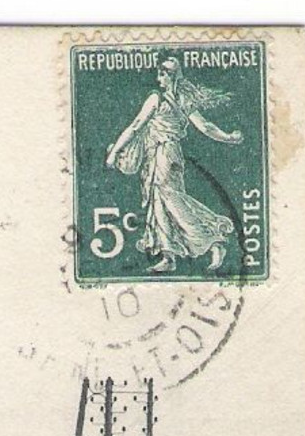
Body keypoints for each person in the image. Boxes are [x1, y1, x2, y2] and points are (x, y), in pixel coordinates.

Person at [104, 56, 244, 274]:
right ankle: (168, 256)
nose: (158, 77)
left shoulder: (156, 98)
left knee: (171, 200)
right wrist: (228, 137)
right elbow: (205, 126)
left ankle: (213, 240)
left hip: (163, 154)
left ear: (167, 76)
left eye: (162, 73)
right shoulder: (183, 100)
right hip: (167, 155)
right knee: (160, 202)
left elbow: (134, 127)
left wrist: (114, 152)